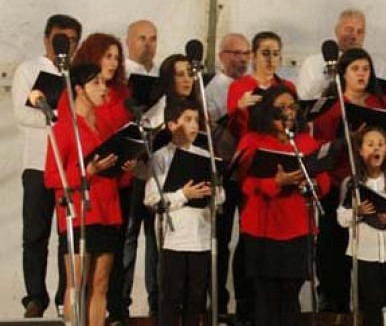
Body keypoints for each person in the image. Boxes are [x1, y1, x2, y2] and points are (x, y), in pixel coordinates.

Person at [43, 63, 137, 326]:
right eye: (95, 83)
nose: (103, 88)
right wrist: (88, 170)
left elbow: (114, 176)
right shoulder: (64, 127)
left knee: (101, 284)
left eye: (104, 83)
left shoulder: (104, 127)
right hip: (79, 214)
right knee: (77, 284)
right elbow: (52, 177)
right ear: (79, 89)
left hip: (107, 211)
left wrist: (125, 168)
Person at [235, 86, 330, 326]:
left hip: (297, 229)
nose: (288, 112)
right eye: (281, 108)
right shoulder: (252, 140)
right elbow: (244, 183)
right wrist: (274, 183)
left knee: (290, 298)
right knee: (264, 300)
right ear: (268, 112)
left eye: (292, 107)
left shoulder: (306, 142)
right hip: (262, 229)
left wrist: (312, 186)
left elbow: (324, 181)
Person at [311, 47, 386, 313]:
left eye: (366, 69)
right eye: (355, 69)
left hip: (370, 185)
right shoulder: (331, 108)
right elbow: (320, 149)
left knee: (371, 248)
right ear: (343, 73)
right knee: (333, 247)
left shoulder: (381, 105)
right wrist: (344, 141)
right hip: (337, 184)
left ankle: (372, 302)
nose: (361, 74)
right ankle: (334, 299)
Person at [12, 13, 81, 318]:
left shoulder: (77, 74)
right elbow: (23, 113)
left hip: (69, 166)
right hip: (39, 162)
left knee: (69, 234)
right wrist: (58, 117)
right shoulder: (29, 70)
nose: (64, 44)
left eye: (70, 39)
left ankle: (64, 297)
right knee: (36, 233)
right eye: (58, 38)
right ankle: (35, 297)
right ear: (46, 39)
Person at [145, 99, 225, 326]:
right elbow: (151, 198)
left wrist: (211, 192)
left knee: (196, 300)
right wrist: (184, 194)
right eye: (187, 120)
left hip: (201, 237)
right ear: (171, 125)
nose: (193, 125)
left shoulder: (205, 155)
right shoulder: (160, 157)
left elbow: (221, 196)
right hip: (174, 239)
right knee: (171, 299)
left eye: (196, 120)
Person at [336, 126, 386, 326]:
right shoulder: (352, 183)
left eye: (380, 144)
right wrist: (357, 212)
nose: (376, 149)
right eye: (370, 145)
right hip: (363, 252)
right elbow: (341, 218)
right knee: (371, 303)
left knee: (381, 299)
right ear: (361, 151)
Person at [205, 32, 252, 320]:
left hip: (248, 172)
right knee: (220, 241)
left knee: (248, 240)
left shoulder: (253, 85)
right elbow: (209, 127)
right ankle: (218, 301)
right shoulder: (212, 88)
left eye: (246, 53)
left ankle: (245, 301)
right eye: (235, 53)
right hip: (223, 172)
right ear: (222, 56)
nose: (242, 58)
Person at [296, 8, 386, 101]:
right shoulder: (312, 64)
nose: (354, 36)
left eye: (360, 32)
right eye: (349, 30)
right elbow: (302, 101)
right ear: (337, 30)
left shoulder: (379, 66)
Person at [226, 31, 296, 139]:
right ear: (253, 56)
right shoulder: (238, 87)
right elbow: (232, 131)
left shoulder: (288, 87)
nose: (270, 60)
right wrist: (240, 108)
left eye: (275, 54)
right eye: (265, 53)